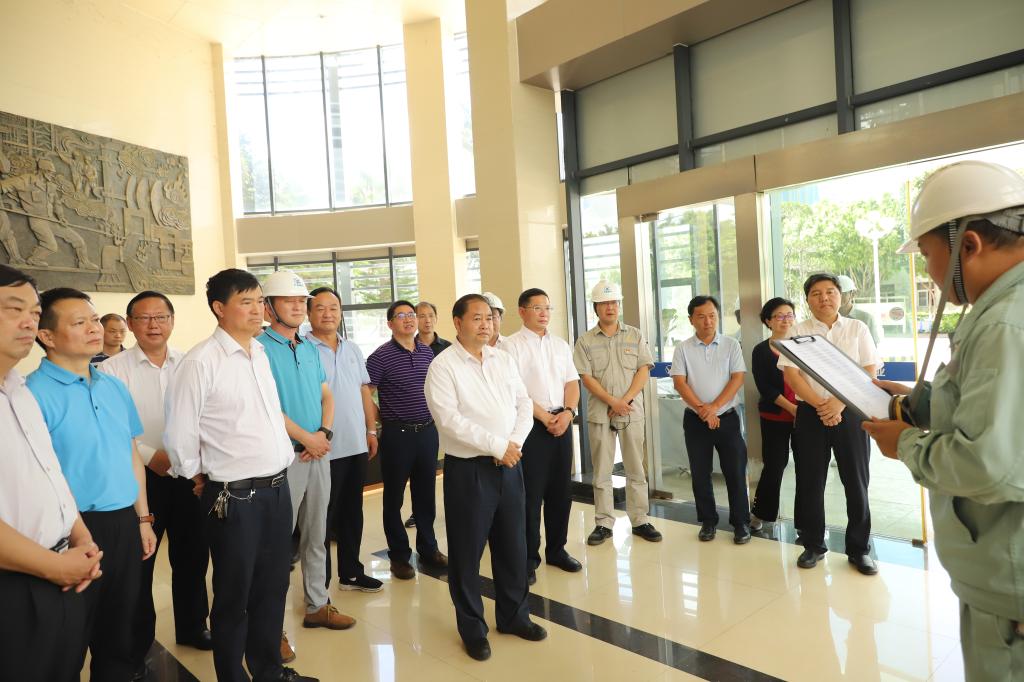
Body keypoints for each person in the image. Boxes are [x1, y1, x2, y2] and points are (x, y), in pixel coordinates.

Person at [863, 160, 1024, 681]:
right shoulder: (1003, 310)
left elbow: (989, 464)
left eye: (929, 255)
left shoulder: (1005, 322)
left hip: (1012, 588)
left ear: (967, 245)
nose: (929, 273)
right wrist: (922, 404)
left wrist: (906, 444)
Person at [164, 268, 317, 682]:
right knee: (235, 595)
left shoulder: (259, 353)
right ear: (219, 308)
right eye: (246, 302)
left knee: (273, 587)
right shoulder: (201, 361)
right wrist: (197, 475)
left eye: (259, 301)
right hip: (234, 497)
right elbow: (179, 435)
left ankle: (269, 670)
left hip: (277, 489)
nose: (257, 310)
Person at [28, 286, 157, 680]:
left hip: (123, 522)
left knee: (119, 632)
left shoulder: (112, 385)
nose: (94, 329)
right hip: (70, 530)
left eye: (95, 320)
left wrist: (142, 518)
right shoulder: (32, 395)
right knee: (68, 638)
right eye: (79, 322)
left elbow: (130, 453)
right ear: (47, 336)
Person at [424, 293, 547, 661]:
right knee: (467, 554)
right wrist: (497, 445)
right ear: (457, 322)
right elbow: (449, 421)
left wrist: (513, 444)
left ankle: (514, 617)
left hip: (509, 464)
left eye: (489, 318)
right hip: (470, 471)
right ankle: (473, 629)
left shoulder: (502, 359)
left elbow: (523, 404)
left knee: (513, 546)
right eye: (476, 317)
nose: (485, 324)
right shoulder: (443, 367)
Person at [100, 290, 212, 678]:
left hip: (189, 473)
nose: (153, 325)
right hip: (140, 475)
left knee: (193, 554)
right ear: (130, 324)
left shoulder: (189, 363)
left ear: (172, 321)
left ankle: (193, 626)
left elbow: (203, 415)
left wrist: (192, 461)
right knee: (140, 562)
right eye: (144, 318)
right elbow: (113, 428)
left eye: (161, 317)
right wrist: (151, 456)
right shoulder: (111, 370)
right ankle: (136, 644)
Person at [0, 264, 102, 682]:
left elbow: (50, 474)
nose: (28, 322)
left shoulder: (18, 390)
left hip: (61, 570)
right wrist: (54, 566)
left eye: (34, 312)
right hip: (16, 582)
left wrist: (82, 537)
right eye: (13, 309)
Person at [257, 271, 352, 661]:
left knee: (317, 534)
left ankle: (317, 605)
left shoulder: (309, 348)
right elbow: (267, 407)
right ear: (268, 307)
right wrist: (307, 438)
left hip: (317, 454)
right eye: (289, 301)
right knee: (277, 546)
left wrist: (323, 433)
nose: (298, 307)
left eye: (301, 301)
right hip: (283, 460)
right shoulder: (258, 349)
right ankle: (271, 628)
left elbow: (326, 395)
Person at [779, 273, 880, 575]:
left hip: (850, 411)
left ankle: (859, 549)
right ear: (807, 300)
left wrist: (839, 402)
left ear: (840, 295)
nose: (824, 298)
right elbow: (791, 375)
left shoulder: (857, 328)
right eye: (816, 293)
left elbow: (869, 371)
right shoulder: (797, 331)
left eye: (830, 291)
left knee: (856, 481)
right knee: (810, 481)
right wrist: (820, 405)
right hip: (811, 412)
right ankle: (813, 545)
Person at [305, 287, 383, 593]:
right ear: (309, 313)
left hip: (355, 444)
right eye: (320, 308)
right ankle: (319, 588)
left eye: (334, 308)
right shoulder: (303, 349)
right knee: (321, 519)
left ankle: (351, 573)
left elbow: (364, 390)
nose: (328, 314)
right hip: (322, 448)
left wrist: (371, 430)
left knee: (353, 513)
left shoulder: (352, 349)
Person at [573, 280, 662, 546]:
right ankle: (603, 523)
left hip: (631, 411)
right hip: (601, 413)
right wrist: (612, 401)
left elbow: (643, 370)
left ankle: (640, 519)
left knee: (636, 468)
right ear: (596, 308)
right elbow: (586, 377)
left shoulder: (635, 335)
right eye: (604, 303)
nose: (610, 307)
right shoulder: (585, 341)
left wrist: (624, 400)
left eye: (613, 302)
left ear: (619, 305)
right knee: (601, 471)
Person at [504, 288, 582, 585]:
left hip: (562, 421)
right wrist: (544, 417)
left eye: (547, 307)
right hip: (531, 426)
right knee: (531, 495)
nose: (544, 313)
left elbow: (572, 382)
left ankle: (557, 550)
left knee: (561, 491)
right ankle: (528, 558)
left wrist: (568, 413)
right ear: (522, 311)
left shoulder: (560, 345)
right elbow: (517, 391)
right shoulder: (510, 346)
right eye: (537, 307)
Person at [365, 300, 447, 580]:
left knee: (426, 495)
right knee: (394, 498)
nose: (409, 319)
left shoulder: (426, 352)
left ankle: (428, 549)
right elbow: (365, 391)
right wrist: (380, 419)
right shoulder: (380, 356)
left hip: (427, 433)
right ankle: (399, 556)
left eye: (412, 314)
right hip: (397, 436)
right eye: (401, 315)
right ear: (390, 324)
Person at [670, 295, 751, 544]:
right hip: (696, 421)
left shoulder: (731, 345)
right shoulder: (683, 348)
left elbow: (737, 378)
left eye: (712, 316)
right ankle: (708, 521)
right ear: (691, 319)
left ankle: (741, 523)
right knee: (700, 473)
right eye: (702, 316)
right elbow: (679, 382)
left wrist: (714, 408)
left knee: (735, 472)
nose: (708, 321)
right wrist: (703, 410)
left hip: (727, 419)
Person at [749, 297, 798, 533]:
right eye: (779, 316)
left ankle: (805, 523)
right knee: (775, 465)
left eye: (789, 315)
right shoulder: (761, 350)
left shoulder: (803, 345)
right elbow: (765, 388)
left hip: (805, 416)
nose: (785, 320)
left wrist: (802, 409)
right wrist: (792, 408)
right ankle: (761, 513)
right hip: (775, 416)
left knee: (807, 468)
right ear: (768, 321)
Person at [406, 300, 451, 529]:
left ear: (436, 318)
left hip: (446, 416)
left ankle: (453, 509)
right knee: (421, 470)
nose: (426, 320)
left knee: (448, 465)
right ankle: (419, 512)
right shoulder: (409, 346)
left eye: (430, 315)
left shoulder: (448, 348)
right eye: (421, 316)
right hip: (421, 417)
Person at [837, 275, 882, 346]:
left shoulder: (866, 319)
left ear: (852, 294)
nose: (838, 297)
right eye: (835, 293)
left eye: (842, 294)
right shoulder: (828, 318)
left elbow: (873, 347)